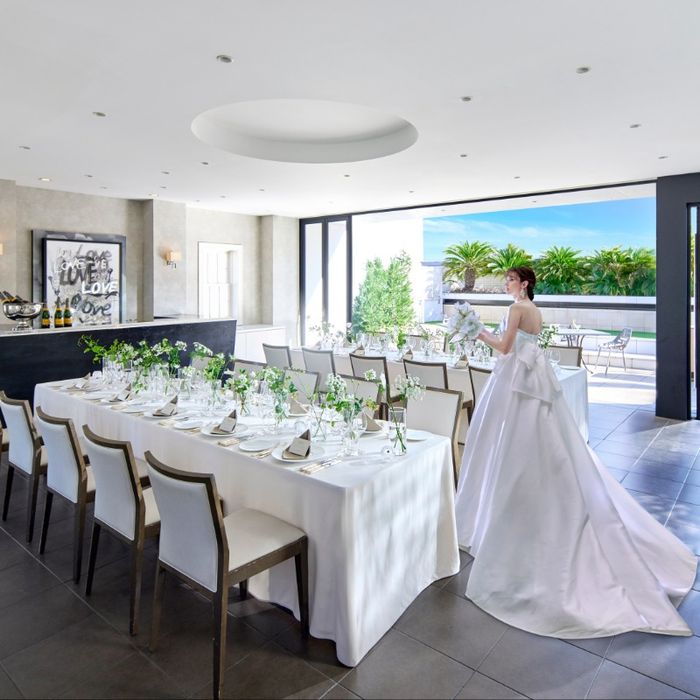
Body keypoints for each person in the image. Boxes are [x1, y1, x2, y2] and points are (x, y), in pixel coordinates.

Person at [455, 265, 696, 638]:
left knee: (514, 442)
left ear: (524, 284)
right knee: (541, 443)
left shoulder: (517, 308)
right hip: (529, 380)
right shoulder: (534, 310)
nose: (506, 284)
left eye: (511, 280)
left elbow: (504, 347)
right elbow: (524, 346)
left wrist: (477, 331)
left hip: (518, 382)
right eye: (507, 280)